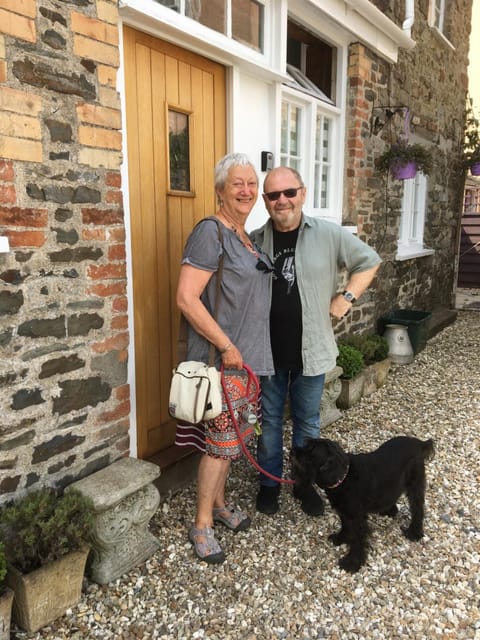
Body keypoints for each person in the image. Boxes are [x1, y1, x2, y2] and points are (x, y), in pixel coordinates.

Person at [250, 166, 382, 516]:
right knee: (271, 422)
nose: (282, 200)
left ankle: (303, 486)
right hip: (268, 352)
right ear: (265, 201)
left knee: (308, 423)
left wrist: (347, 298)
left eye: (289, 192)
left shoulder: (327, 234)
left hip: (312, 351)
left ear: (303, 194)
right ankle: (269, 484)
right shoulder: (253, 240)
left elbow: (369, 262)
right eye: (274, 195)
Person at [175, 153, 274, 563]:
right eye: (237, 183)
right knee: (219, 445)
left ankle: (219, 504)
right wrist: (228, 347)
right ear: (220, 190)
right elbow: (186, 298)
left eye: (252, 183)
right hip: (225, 363)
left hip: (249, 363)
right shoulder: (210, 232)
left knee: (233, 441)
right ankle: (202, 525)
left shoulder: (246, 237)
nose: (246, 190)